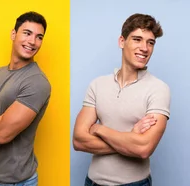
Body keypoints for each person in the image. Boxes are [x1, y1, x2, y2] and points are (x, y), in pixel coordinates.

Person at [72, 13, 169, 186]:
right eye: (137, 39)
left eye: (150, 42)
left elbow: (143, 148)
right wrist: (130, 138)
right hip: (92, 182)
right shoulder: (98, 85)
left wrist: (100, 130)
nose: (145, 48)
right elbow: (79, 140)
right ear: (121, 42)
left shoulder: (158, 89)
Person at [0, 11, 51, 186]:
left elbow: (2, 134)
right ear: (13, 34)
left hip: (20, 182)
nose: (32, 42)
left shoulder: (37, 82)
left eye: (39, 37)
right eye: (27, 33)